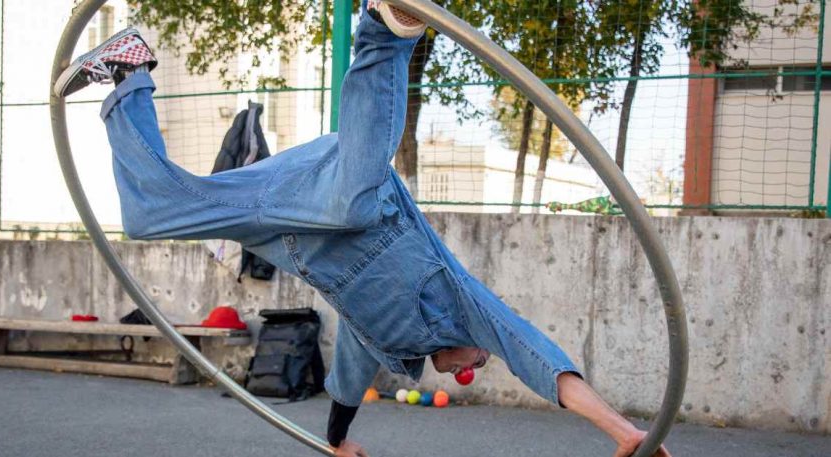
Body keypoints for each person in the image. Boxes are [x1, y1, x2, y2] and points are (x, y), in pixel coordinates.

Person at [54, 2, 671, 456]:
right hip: (328, 188)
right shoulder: (463, 304)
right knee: (354, 203)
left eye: (463, 372)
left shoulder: (384, 344)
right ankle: (388, 28)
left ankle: (127, 72)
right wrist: (623, 431)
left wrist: (336, 446)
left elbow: (346, 391)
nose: (474, 366)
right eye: (479, 364)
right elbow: (538, 356)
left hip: (277, 229)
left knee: (149, 215)